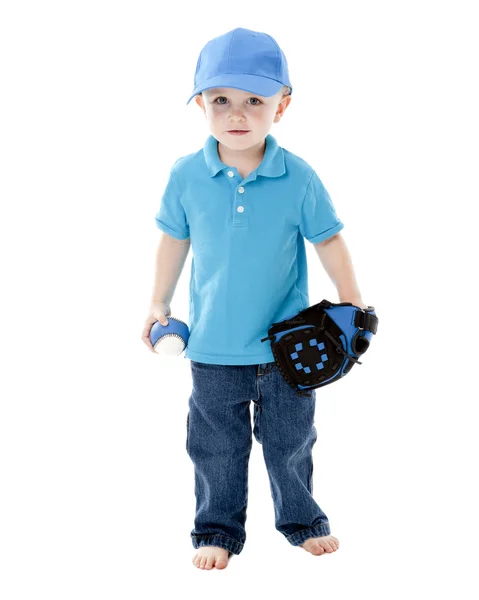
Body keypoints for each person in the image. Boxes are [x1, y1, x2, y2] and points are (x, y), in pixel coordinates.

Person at [141, 27, 368, 570]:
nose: (236, 114)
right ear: (201, 103)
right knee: (215, 448)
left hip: (289, 348)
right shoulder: (188, 174)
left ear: (281, 107)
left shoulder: (297, 176)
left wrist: (353, 300)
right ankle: (216, 530)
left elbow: (329, 239)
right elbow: (175, 240)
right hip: (214, 348)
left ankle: (303, 521)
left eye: (254, 101)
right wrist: (157, 304)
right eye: (221, 100)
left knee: (291, 443)